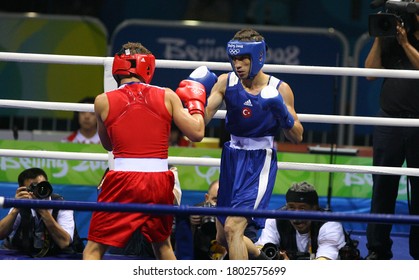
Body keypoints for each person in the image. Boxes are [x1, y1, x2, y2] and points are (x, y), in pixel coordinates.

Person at [82, 42, 215, 260]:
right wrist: (195, 101)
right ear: (147, 67)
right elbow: (197, 133)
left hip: (123, 181)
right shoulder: (167, 96)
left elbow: (108, 145)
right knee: (162, 246)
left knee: (94, 249)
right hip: (160, 182)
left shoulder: (102, 101)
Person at [204, 28, 304, 260]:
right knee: (222, 236)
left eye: (243, 59)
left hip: (259, 160)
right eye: (234, 59)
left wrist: (282, 113)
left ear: (258, 57)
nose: (237, 65)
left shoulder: (280, 89)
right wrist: (196, 98)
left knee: (233, 228)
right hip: (231, 156)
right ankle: (269, 257)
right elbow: (200, 124)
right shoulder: (224, 82)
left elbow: (297, 136)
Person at [364, 5, 419, 260]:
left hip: (418, 124)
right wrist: (380, 37)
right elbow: (370, 73)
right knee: (382, 189)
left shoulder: (407, 41)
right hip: (389, 122)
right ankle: (377, 249)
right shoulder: (389, 41)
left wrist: (406, 43)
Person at [255, 182, 347, 260]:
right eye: (291, 207)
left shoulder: (330, 224)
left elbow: (324, 262)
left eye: (302, 208)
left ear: (315, 209)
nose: (296, 214)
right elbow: (262, 251)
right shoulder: (275, 220)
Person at [0, 167, 78, 257]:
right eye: (33, 187)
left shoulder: (62, 205)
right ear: (24, 190)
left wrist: (42, 210)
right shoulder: (21, 204)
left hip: (57, 256)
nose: (40, 189)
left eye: (42, 185)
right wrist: (16, 208)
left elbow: (64, 242)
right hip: (24, 256)